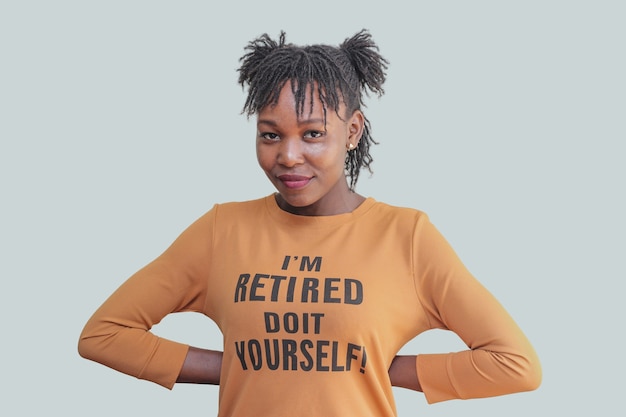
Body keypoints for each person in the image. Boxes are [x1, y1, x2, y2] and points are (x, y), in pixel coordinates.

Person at [78, 29, 542, 416]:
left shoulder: (408, 238)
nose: (288, 156)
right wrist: (244, 365)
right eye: (270, 135)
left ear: (353, 131)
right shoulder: (222, 231)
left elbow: (514, 363)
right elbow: (105, 335)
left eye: (313, 133)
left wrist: (375, 366)